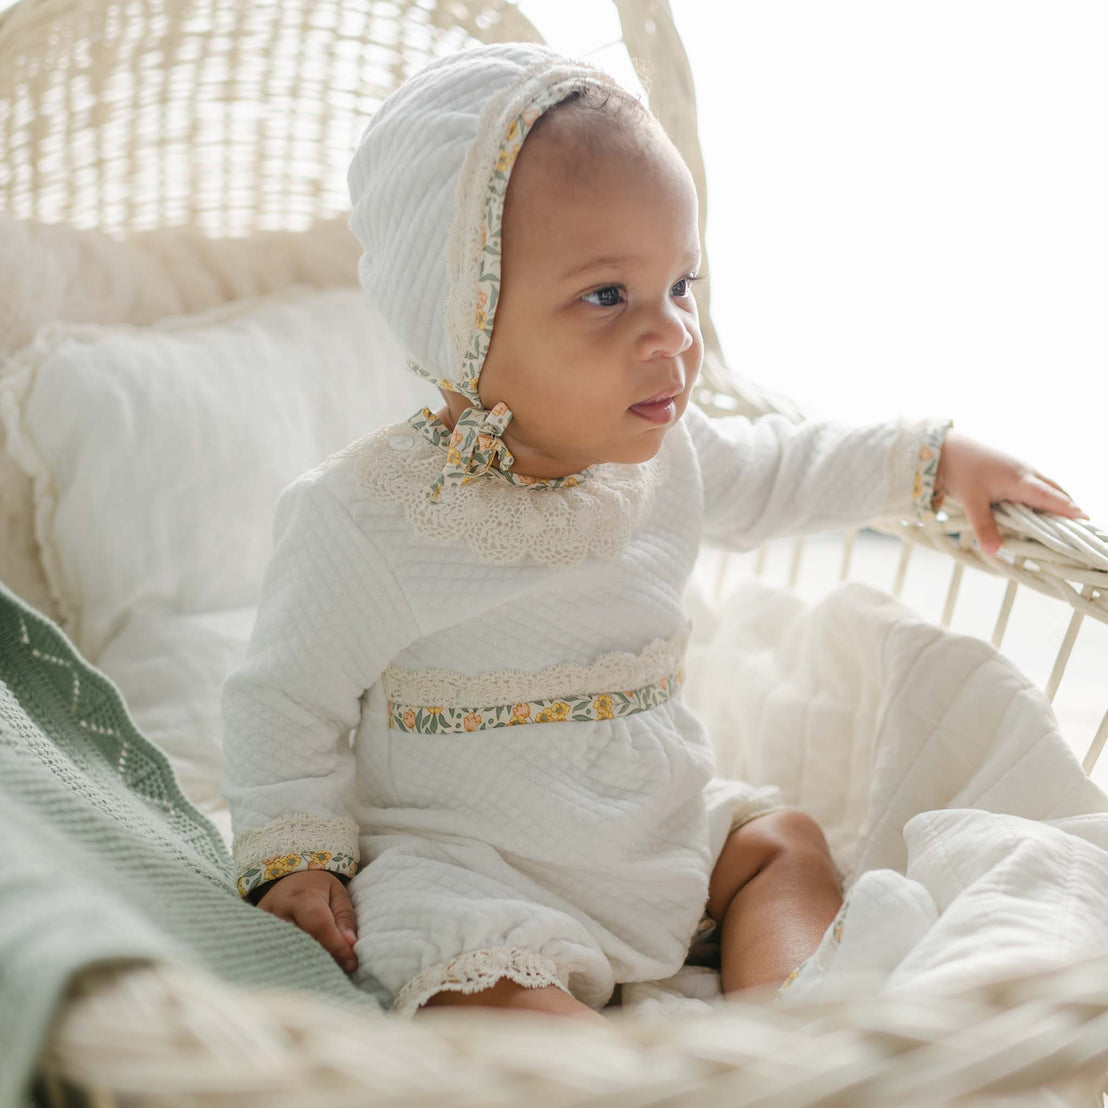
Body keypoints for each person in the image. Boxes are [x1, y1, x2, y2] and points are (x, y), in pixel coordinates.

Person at [220, 42, 1087, 1024]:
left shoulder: (669, 456)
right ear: (459, 320)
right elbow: (282, 706)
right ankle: (615, 1068)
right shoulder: (368, 516)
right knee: (463, 970)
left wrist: (930, 461)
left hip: (656, 825)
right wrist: (297, 859)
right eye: (607, 296)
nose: (673, 334)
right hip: (469, 858)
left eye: (681, 284)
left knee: (782, 841)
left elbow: (786, 465)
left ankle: (782, 1040)